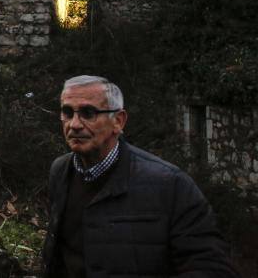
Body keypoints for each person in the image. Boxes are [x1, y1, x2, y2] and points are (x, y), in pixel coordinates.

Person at [42, 75, 238, 277]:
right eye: (67, 112)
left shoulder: (169, 184)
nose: (74, 124)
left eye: (88, 113)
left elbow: (212, 267)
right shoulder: (61, 171)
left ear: (118, 121)